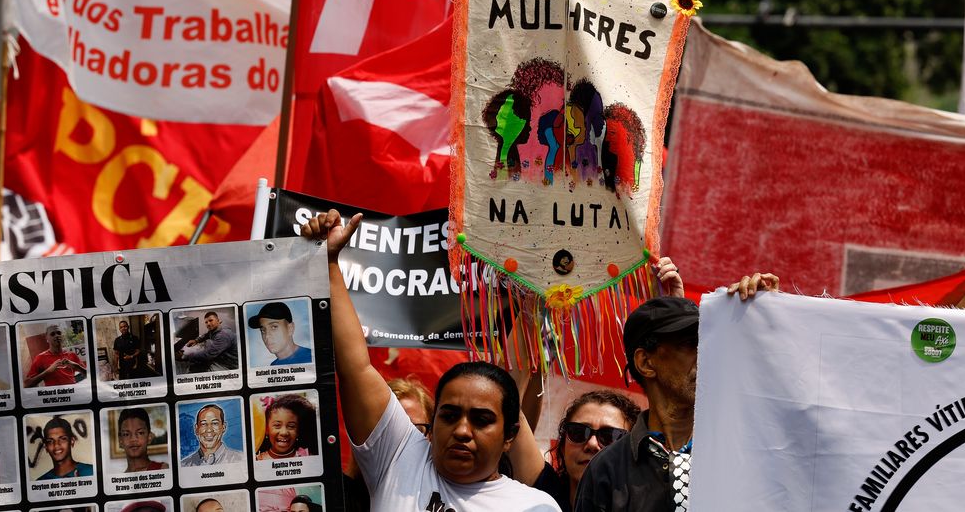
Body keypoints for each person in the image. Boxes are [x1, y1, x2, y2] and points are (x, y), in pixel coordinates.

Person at [301, 209, 560, 511]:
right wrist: (329, 263)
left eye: (482, 420)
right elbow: (355, 367)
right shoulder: (400, 457)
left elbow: (514, 376)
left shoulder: (535, 506)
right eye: (449, 415)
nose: (462, 431)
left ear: (510, 436)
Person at [573, 271, 779, 512]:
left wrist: (771, 319)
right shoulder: (607, 468)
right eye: (689, 344)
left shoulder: (744, 451)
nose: (704, 355)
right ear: (646, 363)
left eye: (706, 343)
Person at [511, 390, 641, 511]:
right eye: (578, 432)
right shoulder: (545, 493)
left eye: (609, 436)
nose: (592, 444)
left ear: (632, 451)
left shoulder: (647, 504)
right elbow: (512, 413)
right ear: (563, 446)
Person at [343, 377, 437, 512]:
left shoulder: (444, 497)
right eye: (389, 431)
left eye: (415, 430)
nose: (403, 440)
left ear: (431, 435)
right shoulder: (339, 496)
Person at [255, 392, 316, 459]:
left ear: (298, 430)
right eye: (277, 425)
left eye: (291, 426)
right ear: (266, 429)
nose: (284, 432)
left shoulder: (308, 456)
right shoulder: (258, 460)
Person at [248, 302, 312, 366]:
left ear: (290, 328)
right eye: (263, 330)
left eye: (274, 327)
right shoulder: (274, 365)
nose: (267, 336)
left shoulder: (310, 358)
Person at [24, 324, 88, 388]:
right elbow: (27, 384)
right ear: (47, 338)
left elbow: (89, 375)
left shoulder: (72, 355)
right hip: (54, 396)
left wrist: (77, 366)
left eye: (59, 333)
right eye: (52, 334)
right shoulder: (40, 358)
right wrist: (48, 371)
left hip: (72, 393)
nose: (57, 335)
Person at [116, 407, 167, 472]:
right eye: (126, 434)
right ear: (120, 440)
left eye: (140, 433)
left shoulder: (163, 469)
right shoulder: (120, 480)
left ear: (149, 437)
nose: (133, 439)